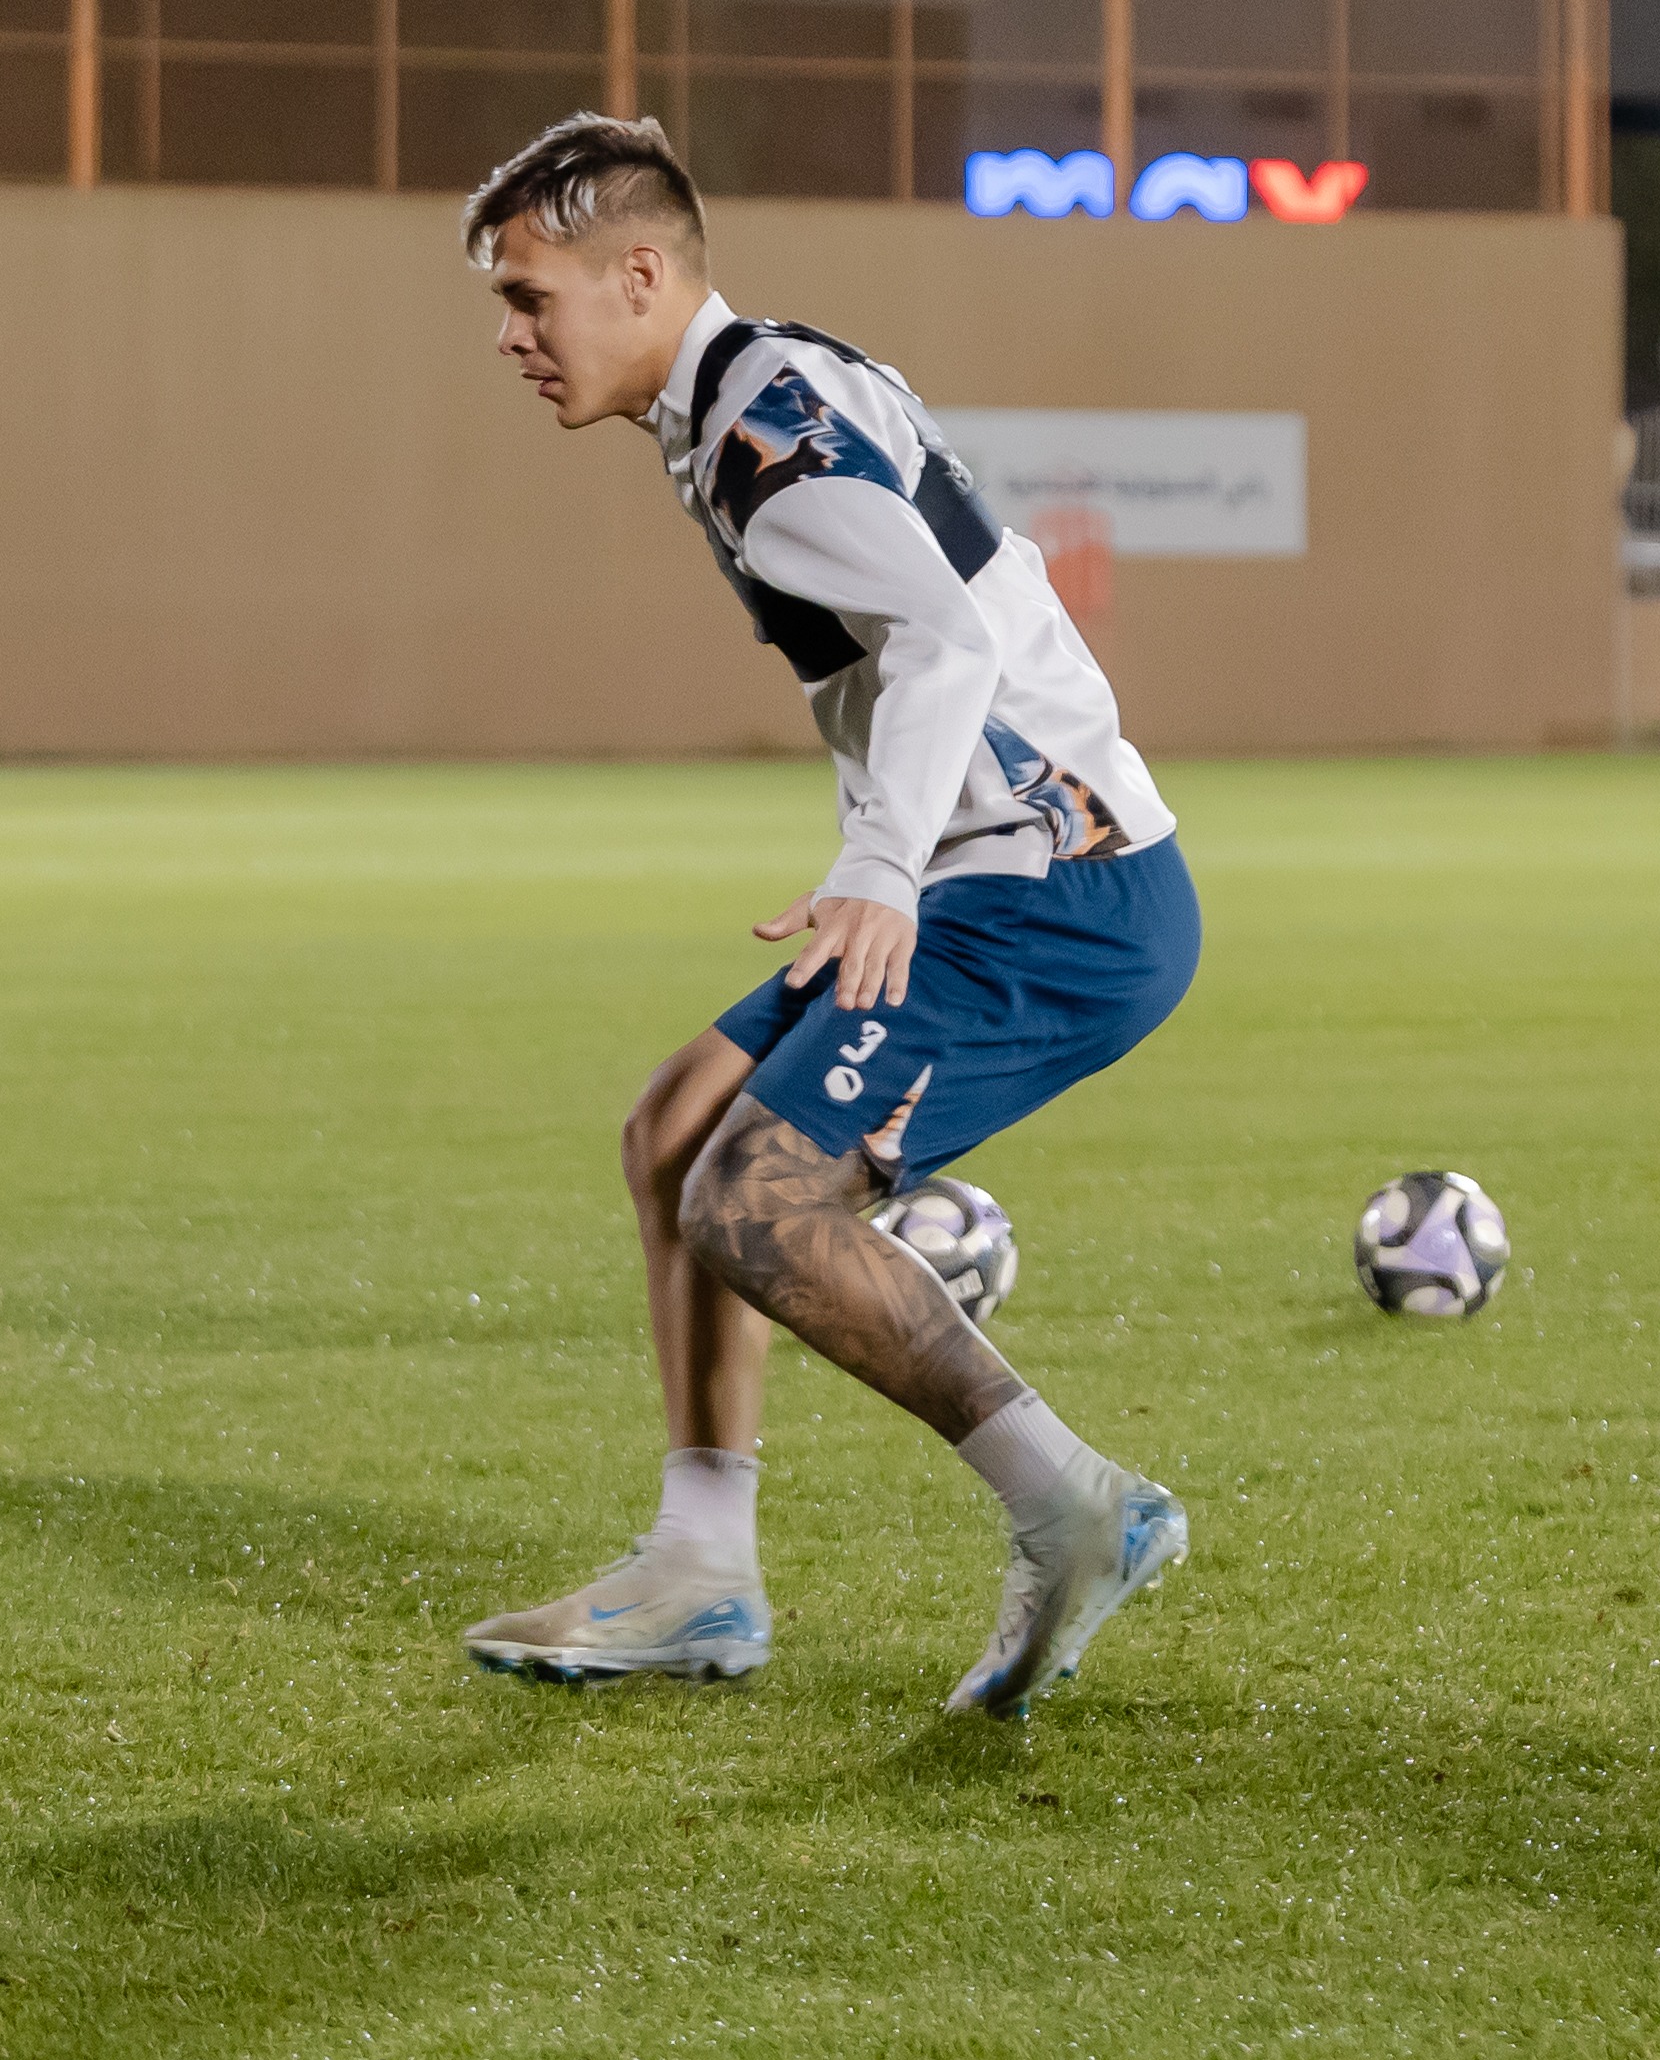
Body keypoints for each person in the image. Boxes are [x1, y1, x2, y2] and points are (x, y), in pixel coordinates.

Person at [454, 111, 1199, 1716]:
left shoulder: (752, 438)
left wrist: (876, 868)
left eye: (531, 297)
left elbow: (942, 643)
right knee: (676, 1134)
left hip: (1056, 894)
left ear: (640, 273)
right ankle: (701, 1571)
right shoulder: (754, 381)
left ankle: (1076, 1505)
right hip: (992, 870)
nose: (512, 335)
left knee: (755, 1202)